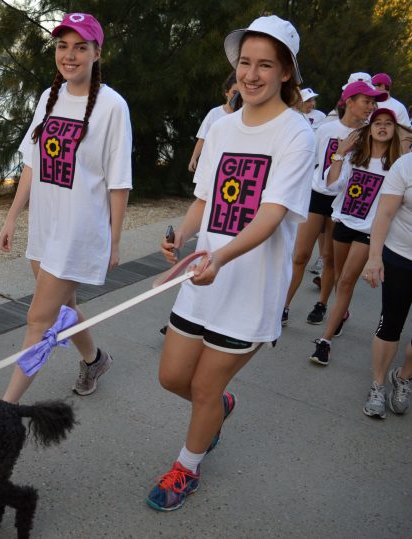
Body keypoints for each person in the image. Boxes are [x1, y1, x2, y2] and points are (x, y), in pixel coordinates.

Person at [149, 15, 315, 512]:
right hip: (205, 277)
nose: (252, 74)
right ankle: (217, 411)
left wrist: (220, 255)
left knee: (203, 386)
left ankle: (186, 467)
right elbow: (205, 200)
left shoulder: (296, 134)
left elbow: (270, 216)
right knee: (173, 378)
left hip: (248, 287)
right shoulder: (221, 126)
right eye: (246, 62)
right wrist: (181, 233)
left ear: (286, 72)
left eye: (266, 64)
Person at [0, 12, 132, 403]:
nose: (69, 55)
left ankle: (4, 410)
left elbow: (119, 180)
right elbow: (31, 162)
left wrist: (115, 239)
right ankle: (94, 359)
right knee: (64, 306)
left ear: (97, 52)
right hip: (46, 226)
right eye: (62, 46)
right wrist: (12, 217)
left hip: (80, 230)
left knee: (37, 321)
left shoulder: (112, 106)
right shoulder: (48, 96)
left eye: (80, 47)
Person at [281, 80, 387, 327]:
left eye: (374, 103)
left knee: (329, 257)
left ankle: (322, 304)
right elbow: (308, 164)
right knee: (300, 255)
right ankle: (283, 307)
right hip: (317, 195)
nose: (371, 107)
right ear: (349, 102)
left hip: (344, 203)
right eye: (367, 101)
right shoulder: (324, 130)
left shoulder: (370, 135)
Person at [309, 108, 404, 366]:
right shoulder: (355, 157)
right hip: (343, 222)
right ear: (369, 129)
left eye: (388, 124)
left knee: (348, 280)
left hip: (368, 231)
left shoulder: (397, 165)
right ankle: (341, 312)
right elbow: (331, 184)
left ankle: (325, 341)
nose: (382, 127)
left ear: (395, 130)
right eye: (377, 123)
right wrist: (341, 152)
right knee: (340, 278)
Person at [362, 151, 412, 418]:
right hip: (401, 256)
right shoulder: (406, 165)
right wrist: (374, 257)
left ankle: (403, 377)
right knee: (390, 324)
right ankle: (378, 384)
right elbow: (384, 213)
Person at [188, 72, 239, 172]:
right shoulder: (214, 113)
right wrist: (193, 158)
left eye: (240, 93)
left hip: (232, 166)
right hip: (211, 164)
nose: (237, 96)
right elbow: (202, 138)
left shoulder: (244, 116)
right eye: (234, 92)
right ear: (226, 92)